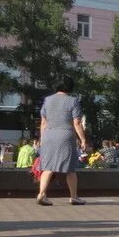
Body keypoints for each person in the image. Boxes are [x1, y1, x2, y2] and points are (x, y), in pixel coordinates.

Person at [35, 76, 90, 206]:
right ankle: (74, 197)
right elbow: (76, 122)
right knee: (70, 168)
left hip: (48, 135)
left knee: (48, 167)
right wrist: (83, 139)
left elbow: (43, 122)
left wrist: (42, 139)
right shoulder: (73, 101)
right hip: (65, 135)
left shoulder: (47, 100)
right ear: (70, 86)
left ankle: (41, 194)